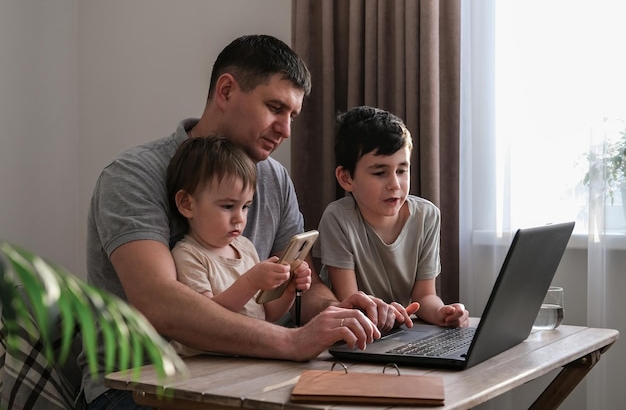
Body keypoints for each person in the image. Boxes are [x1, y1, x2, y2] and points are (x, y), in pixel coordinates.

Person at [81, 35, 415, 409]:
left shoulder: (274, 179)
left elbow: (304, 286)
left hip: (251, 373)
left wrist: (338, 311)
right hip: (135, 386)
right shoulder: (133, 176)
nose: (286, 130)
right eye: (275, 107)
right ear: (226, 91)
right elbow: (159, 303)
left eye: (292, 116)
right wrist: (292, 342)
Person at [317, 106, 469, 332]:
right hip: (358, 330)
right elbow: (350, 302)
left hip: (399, 330)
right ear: (346, 178)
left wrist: (442, 313)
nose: (395, 185)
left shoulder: (427, 215)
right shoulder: (337, 218)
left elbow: (425, 296)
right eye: (380, 173)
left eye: (401, 170)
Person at [166, 136, 312, 357]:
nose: (239, 219)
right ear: (187, 204)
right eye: (227, 206)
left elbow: (267, 314)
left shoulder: (244, 247)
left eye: (245, 207)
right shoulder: (188, 255)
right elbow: (208, 320)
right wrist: (252, 281)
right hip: (202, 368)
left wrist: (289, 288)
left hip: (245, 359)